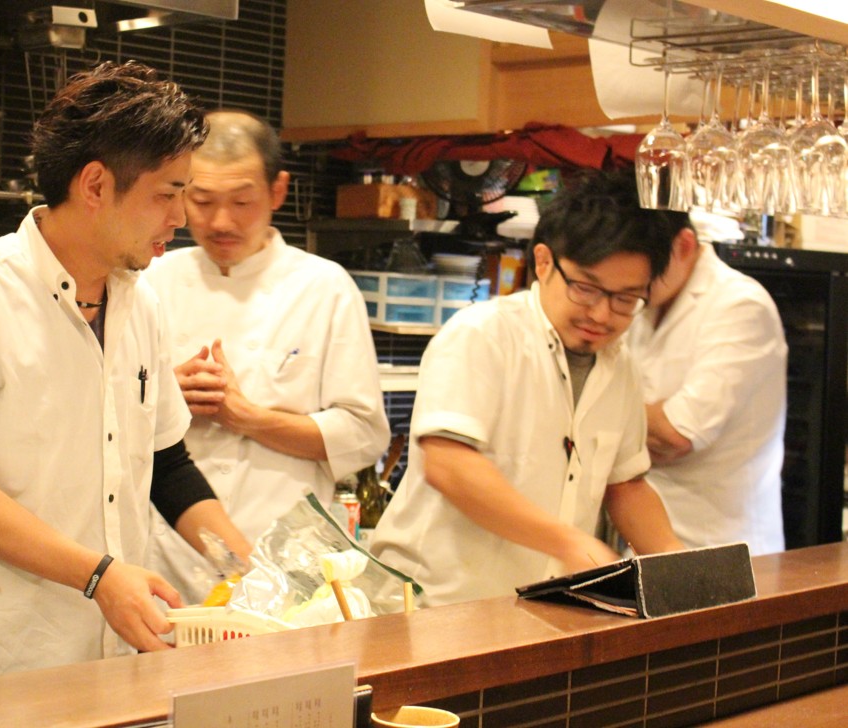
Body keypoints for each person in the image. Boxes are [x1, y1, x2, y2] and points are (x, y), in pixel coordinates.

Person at [0, 61, 251, 687]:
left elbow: (167, 464)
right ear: (94, 185)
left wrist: (252, 570)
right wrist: (99, 575)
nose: (181, 217)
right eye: (167, 194)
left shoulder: (141, 303)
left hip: (103, 663)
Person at [369, 170, 685, 607]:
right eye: (586, 288)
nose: (602, 314)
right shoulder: (484, 335)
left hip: (537, 610)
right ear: (542, 262)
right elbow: (448, 464)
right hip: (435, 606)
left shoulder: (620, 366)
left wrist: (678, 563)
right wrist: (568, 542)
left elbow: (625, 485)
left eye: (625, 300)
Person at [142, 110, 390, 604]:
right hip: (163, 557)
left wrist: (247, 418)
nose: (220, 221)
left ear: (277, 191)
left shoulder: (323, 287)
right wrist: (166, 396)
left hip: (281, 563)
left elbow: (364, 436)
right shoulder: (149, 279)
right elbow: (104, 417)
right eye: (202, 200)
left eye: (241, 201)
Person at [626, 215, 787, 555]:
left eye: (648, 267)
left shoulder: (740, 305)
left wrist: (602, 422)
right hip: (646, 537)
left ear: (684, 244)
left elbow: (676, 435)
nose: (635, 282)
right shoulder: (644, 300)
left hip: (727, 546)